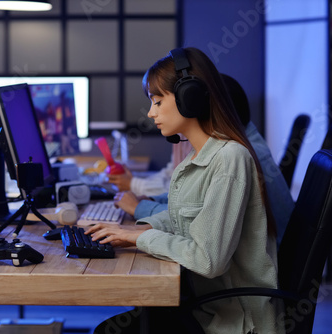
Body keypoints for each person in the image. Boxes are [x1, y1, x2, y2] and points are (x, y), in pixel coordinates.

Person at [88, 47, 283, 334]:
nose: (151, 112)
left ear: (189, 96)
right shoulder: (198, 156)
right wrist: (135, 232)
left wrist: (142, 238)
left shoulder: (230, 159)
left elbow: (208, 260)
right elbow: (187, 219)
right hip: (207, 307)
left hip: (234, 321)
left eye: (157, 101)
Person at [114, 74, 294, 247]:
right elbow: (193, 204)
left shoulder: (238, 156)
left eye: (159, 102)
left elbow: (199, 223)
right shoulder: (238, 146)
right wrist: (153, 200)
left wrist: (140, 211)